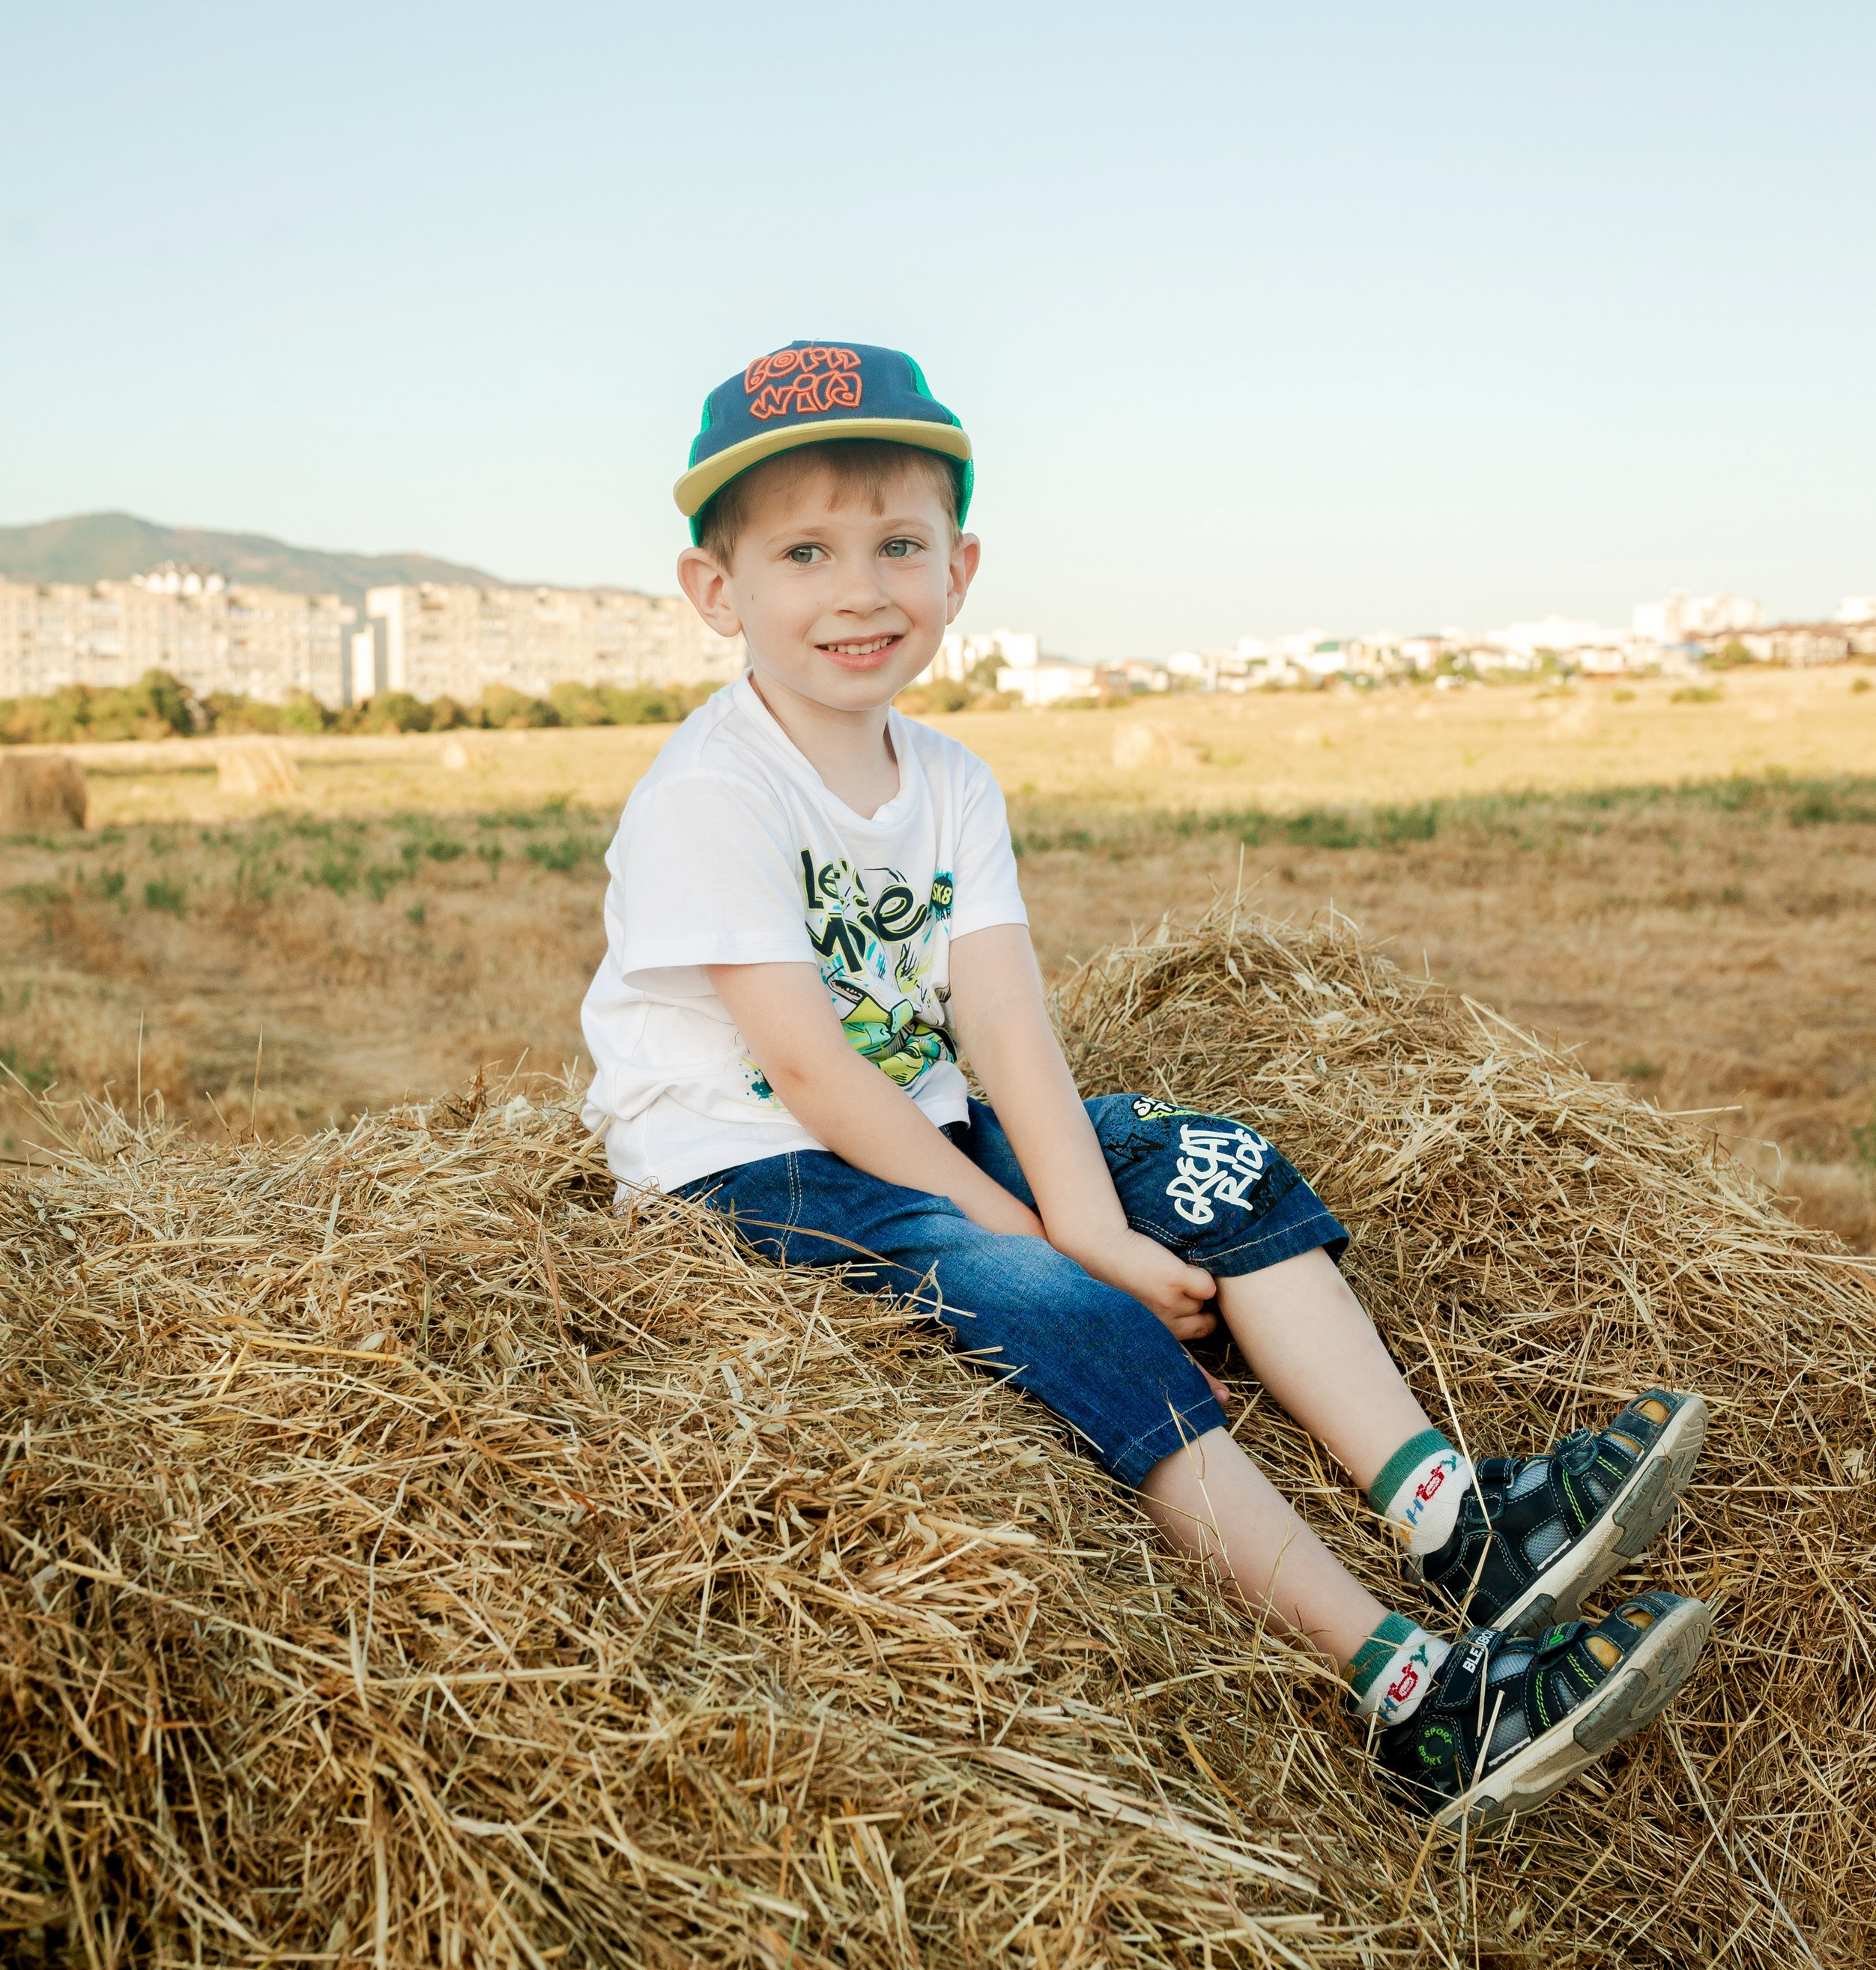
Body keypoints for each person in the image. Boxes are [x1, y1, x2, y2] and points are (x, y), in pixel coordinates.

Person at [581, 341, 1713, 1828]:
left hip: (920, 1122)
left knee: (1207, 1165)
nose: (859, 589)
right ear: (715, 590)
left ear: (960, 569)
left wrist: (1096, 1213)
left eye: (898, 545)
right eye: (804, 552)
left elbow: (1002, 1018)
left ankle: (1457, 1519)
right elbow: (807, 1067)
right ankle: (1421, 1699)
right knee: (1059, 1309)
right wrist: (1055, 1247)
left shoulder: (951, 782)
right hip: (745, 1164)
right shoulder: (710, 793)